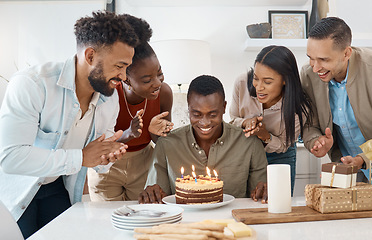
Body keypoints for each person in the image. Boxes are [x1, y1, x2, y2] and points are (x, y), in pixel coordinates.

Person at [0, 11, 138, 238]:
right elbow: (11, 158)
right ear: (91, 56)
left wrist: (106, 155)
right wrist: (82, 157)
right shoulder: (32, 85)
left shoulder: (109, 97)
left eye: (126, 68)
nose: (123, 76)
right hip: (14, 193)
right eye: (119, 66)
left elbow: (98, 160)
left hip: (57, 188)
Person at [300, 17, 372, 178]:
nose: (315, 67)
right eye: (311, 58)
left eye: (323, 60)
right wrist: (316, 141)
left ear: (346, 53)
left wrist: (363, 159)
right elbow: (309, 125)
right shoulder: (308, 75)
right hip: (345, 173)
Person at [139, 75, 268, 204]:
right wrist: (152, 194)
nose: (205, 123)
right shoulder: (166, 145)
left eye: (212, 114)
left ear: (224, 107)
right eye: (196, 114)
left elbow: (258, 197)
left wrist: (264, 191)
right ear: (188, 108)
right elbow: (159, 197)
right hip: (183, 221)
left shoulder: (249, 143)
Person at [87, 15, 173, 201]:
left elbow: (162, 144)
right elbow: (99, 143)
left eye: (159, 73)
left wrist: (155, 133)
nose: (157, 83)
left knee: (143, 219)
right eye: (147, 79)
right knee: (106, 222)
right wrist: (128, 133)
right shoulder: (107, 94)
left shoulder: (164, 93)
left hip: (143, 163)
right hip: (108, 166)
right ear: (125, 77)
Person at [229, 45, 312, 195]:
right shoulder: (241, 83)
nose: (259, 87)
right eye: (256, 78)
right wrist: (245, 122)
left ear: (285, 80)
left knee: (279, 202)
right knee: (246, 201)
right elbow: (233, 119)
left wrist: (264, 135)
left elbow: (283, 145)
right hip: (245, 153)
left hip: (280, 156)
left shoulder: (298, 106)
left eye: (267, 82)